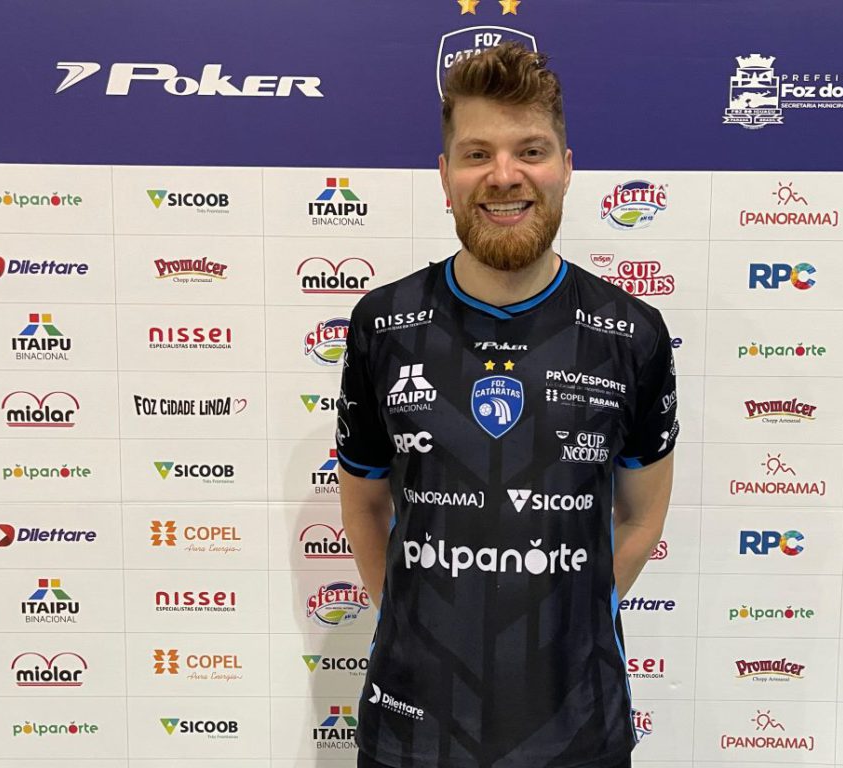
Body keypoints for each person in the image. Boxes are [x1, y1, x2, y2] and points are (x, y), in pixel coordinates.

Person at [336, 42, 678, 768]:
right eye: (476, 154)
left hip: (577, 730)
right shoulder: (382, 325)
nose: (503, 175)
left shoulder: (632, 333)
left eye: (530, 150)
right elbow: (363, 505)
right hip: (412, 732)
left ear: (566, 166)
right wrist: (413, 625)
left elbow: (643, 517)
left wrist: (572, 623)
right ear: (445, 176)